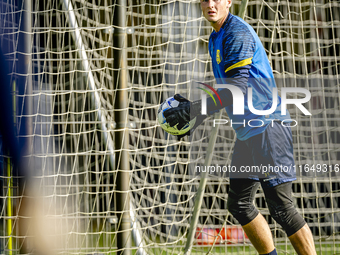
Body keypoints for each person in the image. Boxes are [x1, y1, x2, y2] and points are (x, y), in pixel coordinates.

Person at [163, 0, 317, 254]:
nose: (210, 4)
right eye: (205, 0)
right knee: (240, 204)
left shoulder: (237, 32)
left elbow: (237, 88)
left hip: (268, 127)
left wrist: (194, 110)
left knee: (282, 207)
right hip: (249, 132)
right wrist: (197, 117)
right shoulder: (216, 36)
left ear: (229, 2)